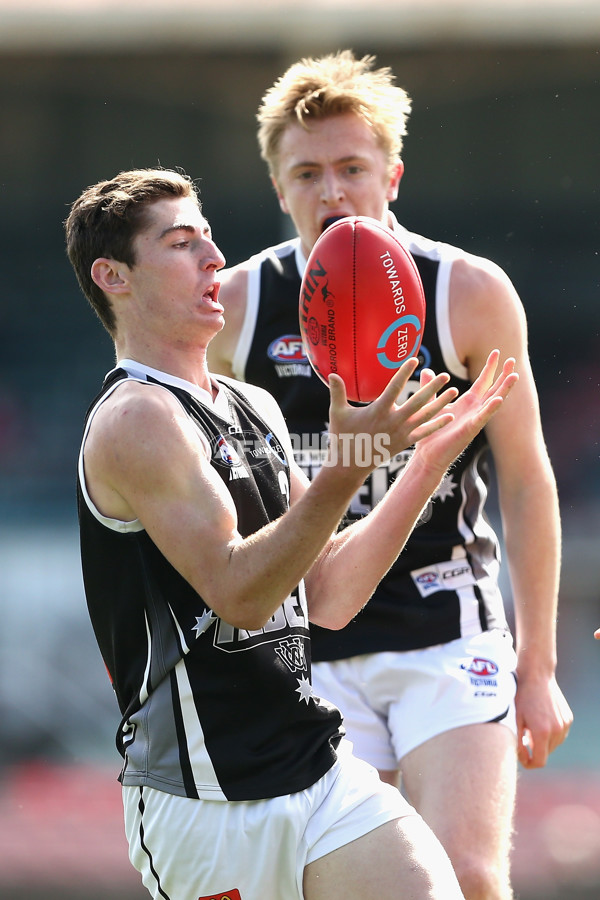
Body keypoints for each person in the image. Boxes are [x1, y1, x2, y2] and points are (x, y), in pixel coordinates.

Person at [64, 166, 519, 900]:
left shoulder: (253, 406)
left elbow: (331, 592)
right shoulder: (134, 420)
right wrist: (345, 470)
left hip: (313, 761)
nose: (214, 259)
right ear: (113, 276)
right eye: (182, 244)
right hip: (206, 798)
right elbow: (241, 592)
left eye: (209, 239)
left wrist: (426, 463)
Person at [207, 51, 573, 900]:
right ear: (277, 187)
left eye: (351, 169)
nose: (332, 191)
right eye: (307, 173)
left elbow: (526, 479)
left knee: (471, 877)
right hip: (308, 651)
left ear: (392, 175)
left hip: (446, 625)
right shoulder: (234, 311)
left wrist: (540, 665)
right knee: (347, 887)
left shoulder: (468, 294)